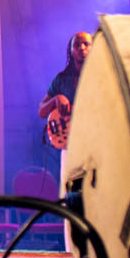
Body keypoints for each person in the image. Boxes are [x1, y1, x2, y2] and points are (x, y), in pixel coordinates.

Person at [38, 31, 91, 167]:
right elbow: (42, 112)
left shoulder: (102, 78)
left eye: (86, 44)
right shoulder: (61, 79)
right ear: (71, 51)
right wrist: (57, 98)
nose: (81, 48)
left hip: (95, 143)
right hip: (70, 149)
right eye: (77, 45)